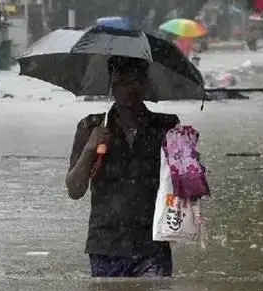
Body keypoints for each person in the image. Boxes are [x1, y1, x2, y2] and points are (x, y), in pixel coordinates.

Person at [66, 56, 180, 278]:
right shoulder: (90, 126)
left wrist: (186, 154)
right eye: (122, 81)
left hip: (153, 243)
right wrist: (91, 147)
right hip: (105, 245)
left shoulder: (166, 127)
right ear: (111, 85)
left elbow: (185, 187)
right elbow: (74, 189)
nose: (130, 88)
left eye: (136, 81)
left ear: (146, 84)